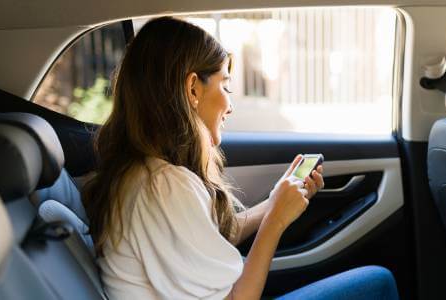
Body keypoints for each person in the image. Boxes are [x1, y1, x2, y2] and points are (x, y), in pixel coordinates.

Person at [82, 16, 399, 300]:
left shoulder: (143, 173)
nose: (230, 105)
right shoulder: (164, 186)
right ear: (193, 88)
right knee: (378, 282)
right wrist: (275, 219)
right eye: (225, 85)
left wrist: (274, 200)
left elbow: (215, 234)